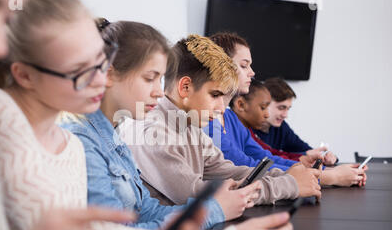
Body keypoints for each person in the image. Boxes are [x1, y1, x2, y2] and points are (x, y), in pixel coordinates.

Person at [0, 0, 202, 230]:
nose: (100, 81)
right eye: (83, 69)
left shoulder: (69, 143)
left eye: (101, 63)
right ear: (25, 75)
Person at [62, 19, 260, 230]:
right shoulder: (82, 142)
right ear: (109, 75)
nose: (159, 91)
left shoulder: (114, 138)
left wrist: (213, 206)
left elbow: (146, 211)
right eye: (149, 78)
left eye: (160, 79)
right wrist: (214, 210)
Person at [118, 33, 322, 210]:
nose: (222, 108)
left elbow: (226, 170)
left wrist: (285, 175)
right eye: (215, 95)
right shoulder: (152, 132)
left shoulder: (189, 125)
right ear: (185, 88)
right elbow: (200, 196)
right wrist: (290, 185)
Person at [231, 79, 368, 187]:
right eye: (264, 107)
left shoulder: (242, 126)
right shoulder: (222, 123)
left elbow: (269, 157)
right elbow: (250, 165)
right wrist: (330, 176)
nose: (285, 115)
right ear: (240, 105)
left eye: (288, 109)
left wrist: (321, 165)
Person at [254, 77, 338, 164]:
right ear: (264, 103)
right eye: (281, 108)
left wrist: (327, 156)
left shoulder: (281, 127)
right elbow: (267, 158)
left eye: (288, 109)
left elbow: (305, 149)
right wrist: (305, 155)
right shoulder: (246, 129)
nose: (285, 115)